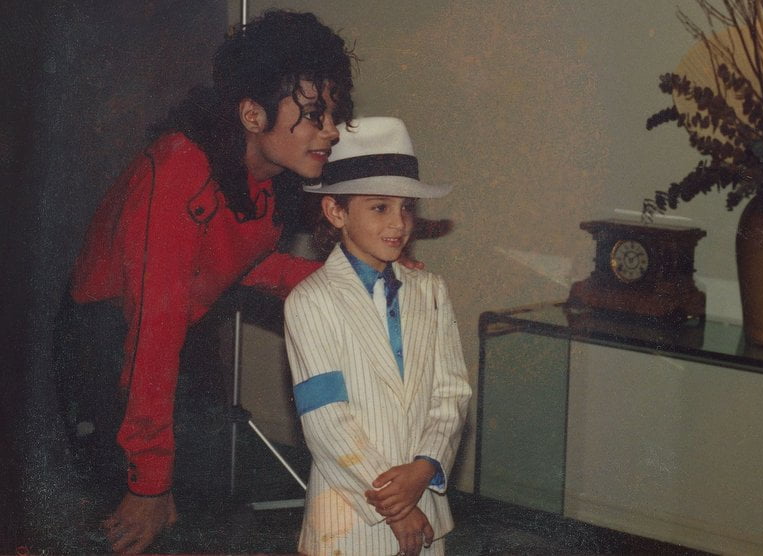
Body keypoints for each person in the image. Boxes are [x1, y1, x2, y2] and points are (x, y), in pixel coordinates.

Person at [53, 9, 396, 554]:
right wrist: (147, 483)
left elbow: (239, 263)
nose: (331, 131)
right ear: (253, 114)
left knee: (204, 495)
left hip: (176, 329)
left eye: (334, 114)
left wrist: (365, 278)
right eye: (313, 115)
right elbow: (153, 332)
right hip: (109, 341)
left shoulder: (269, 173)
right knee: (139, 514)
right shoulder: (179, 170)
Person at [283, 117, 472, 556]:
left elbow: (452, 392)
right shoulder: (310, 301)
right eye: (379, 207)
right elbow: (326, 420)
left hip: (426, 508)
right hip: (349, 516)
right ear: (336, 212)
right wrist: (396, 507)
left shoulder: (430, 291)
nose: (399, 223)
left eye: (406, 207)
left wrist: (424, 468)